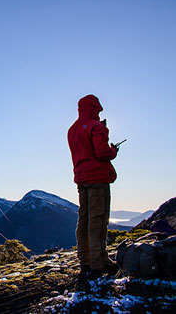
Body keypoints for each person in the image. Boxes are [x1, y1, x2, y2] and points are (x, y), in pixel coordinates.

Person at [67, 94, 119, 278]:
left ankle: (85, 261)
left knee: (84, 219)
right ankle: (99, 263)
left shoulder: (72, 130)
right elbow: (102, 152)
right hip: (98, 178)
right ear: (95, 108)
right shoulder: (96, 127)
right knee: (98, 219)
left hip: (82, 179)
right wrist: (113, 151)